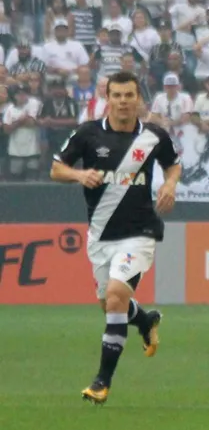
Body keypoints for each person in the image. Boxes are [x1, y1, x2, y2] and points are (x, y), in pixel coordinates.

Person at [49, 71, 181, 405]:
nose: (123, 102)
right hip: (100, 235)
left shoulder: (154, 136)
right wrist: (79, 173)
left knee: (116, 295)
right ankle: (146, 319)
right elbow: (56, 169)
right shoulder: (88, 134)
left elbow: (173, 164)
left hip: (139, 232)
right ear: (108, 98)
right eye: (117, 95)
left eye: (129, 96)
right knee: (109, 305)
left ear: (139, 100)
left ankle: (101, 382)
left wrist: (169, 184)